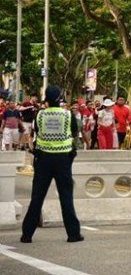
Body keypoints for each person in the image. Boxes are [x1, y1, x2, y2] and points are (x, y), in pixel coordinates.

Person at [21, 85, 83, 244]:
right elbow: (75, 133)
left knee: (37, 198)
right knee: (66, 197)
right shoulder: (68, 115)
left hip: (43, 160)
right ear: (60, 98)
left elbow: (36, 132)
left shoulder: (39, 115)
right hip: (63, 159)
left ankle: (27, 234)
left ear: (46, 99)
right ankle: (73, 234)